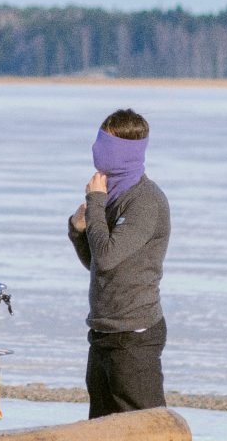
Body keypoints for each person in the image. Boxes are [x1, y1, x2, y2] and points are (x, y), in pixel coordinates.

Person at [68, 108, 170, 419]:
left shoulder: (145, 201)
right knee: (101, 428)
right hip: (103, 331)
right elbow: (99, 263)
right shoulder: (111, 197)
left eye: (105, 142)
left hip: (134, 334)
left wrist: (96, 204)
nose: (97, 150)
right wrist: (78, 231)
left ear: (124, 152)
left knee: (145, 427)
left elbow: (109, 256)